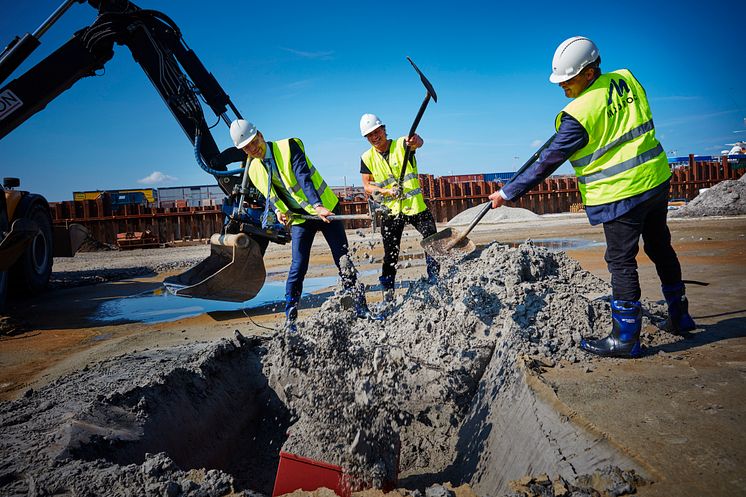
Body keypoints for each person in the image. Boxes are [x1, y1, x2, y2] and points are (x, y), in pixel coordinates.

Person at [487, 36, 696, 358]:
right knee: (659, 246)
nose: (563, 86)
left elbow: (549, 161)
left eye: (568, 79)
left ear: (589, 71)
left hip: (621, 193)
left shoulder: (579, 113)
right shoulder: (626, 80)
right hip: (655, 180)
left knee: (621, 262)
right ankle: (680, 316)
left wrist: (507, 192)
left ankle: (625, 337)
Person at [229, 119, 376, 329]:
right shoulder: (253, 169)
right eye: (247, 148)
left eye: (254, 142)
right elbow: (269, 194)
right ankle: (290, 317)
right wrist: (279, 211)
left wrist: (317, 206)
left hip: (325, 209)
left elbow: (303, 177)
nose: (254, 149)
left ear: (260, 134)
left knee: (342, 259)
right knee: (298, 266)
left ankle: (360, 308)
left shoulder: (288, 147)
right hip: (300, 218)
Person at [358, 113, 440, 301]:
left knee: (433, 242)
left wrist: (416, 141)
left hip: (415, 206)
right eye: (370, 135)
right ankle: (388, 292)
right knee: (390, 254)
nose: (374, 137)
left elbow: (417, 142)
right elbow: (367, 186)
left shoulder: (402, 144)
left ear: (384, 130)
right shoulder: (366, 157)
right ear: (366, 138)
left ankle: (435, 280)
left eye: (377, 131)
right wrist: (386, 191)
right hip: (391, 211)